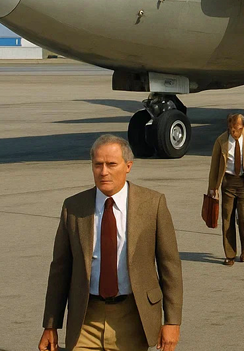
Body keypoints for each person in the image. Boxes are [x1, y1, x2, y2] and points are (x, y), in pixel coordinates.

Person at [39, 134, 182, 351]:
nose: (103, 172)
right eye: (98, 165)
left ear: (128, 166)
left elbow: (169, 265)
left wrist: (172, 321)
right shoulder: (74, 207)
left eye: (111, 164)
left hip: (132, 316)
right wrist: (51, 325)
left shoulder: (153, 204)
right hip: (86, 317)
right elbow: (60, 269)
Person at [207, 113, 244, 265]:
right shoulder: (221, 140)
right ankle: (230, 254)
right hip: (228, 182)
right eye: (232, 129)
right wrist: (212, 187)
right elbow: (214, 166)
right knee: (227, 218)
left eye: (238, 129)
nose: (234, 132)